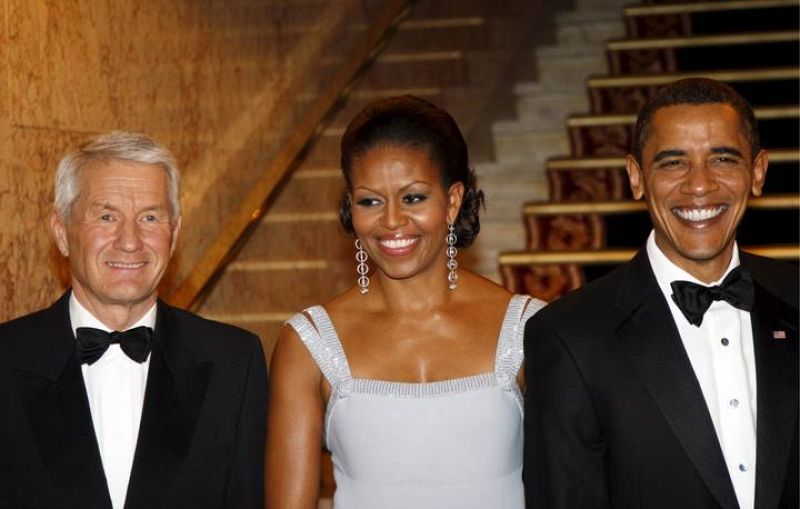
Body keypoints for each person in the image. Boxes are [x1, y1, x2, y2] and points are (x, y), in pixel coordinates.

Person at [523, 78, 798, 509]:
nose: (700, 185)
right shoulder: (569, 336)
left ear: (758, 171)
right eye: (673, 163)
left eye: (723, 159)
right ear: (636, 177)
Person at [266, 96, 545, 508]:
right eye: (370, 201)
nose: (392, 221)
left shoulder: (528, 329)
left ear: (451, 202)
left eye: (413, 198)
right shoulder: (309, 343)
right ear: (350, 207)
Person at [0, 131, 268, 509]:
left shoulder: (235, 362)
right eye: (106, 216)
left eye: (150, 217)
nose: (130, 241)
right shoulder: (6, 359)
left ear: (173, 236)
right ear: (61, 232)